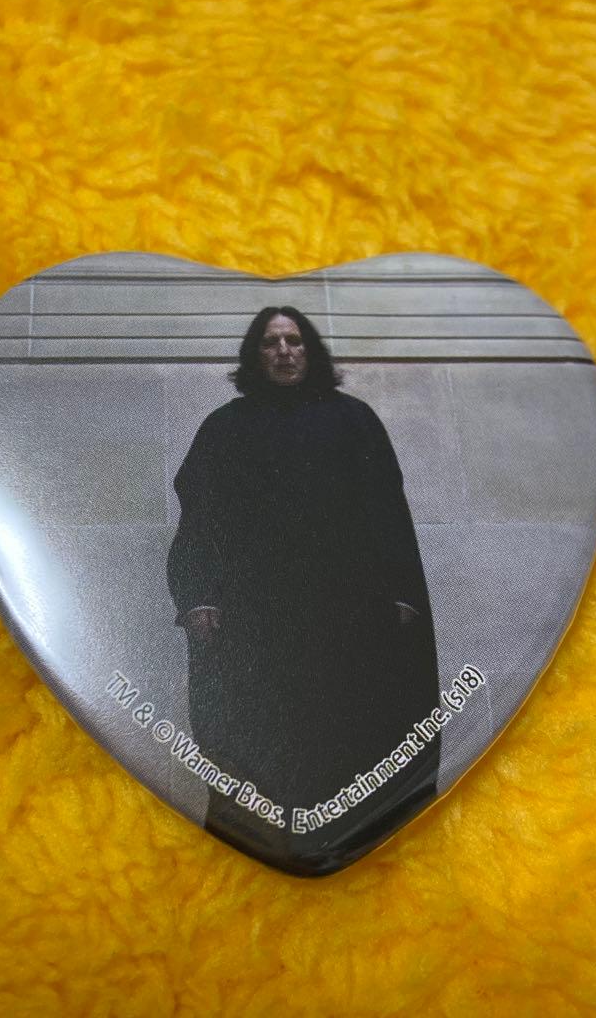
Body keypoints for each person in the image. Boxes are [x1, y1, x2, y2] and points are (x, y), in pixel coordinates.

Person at [167, 306, 439, 854]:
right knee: (262, 736)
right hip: (257, 619)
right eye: (271, 343)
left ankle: (355, 844)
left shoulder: (354, 421)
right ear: (256, 355)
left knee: (354, 731)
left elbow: (388, 513)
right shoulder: (225, 428)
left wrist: (403, 594)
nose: (284, 352)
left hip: (348, 615)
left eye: (294, 341)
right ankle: (269, 848)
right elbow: (199, 518)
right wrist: (197, 596)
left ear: (310, 351)